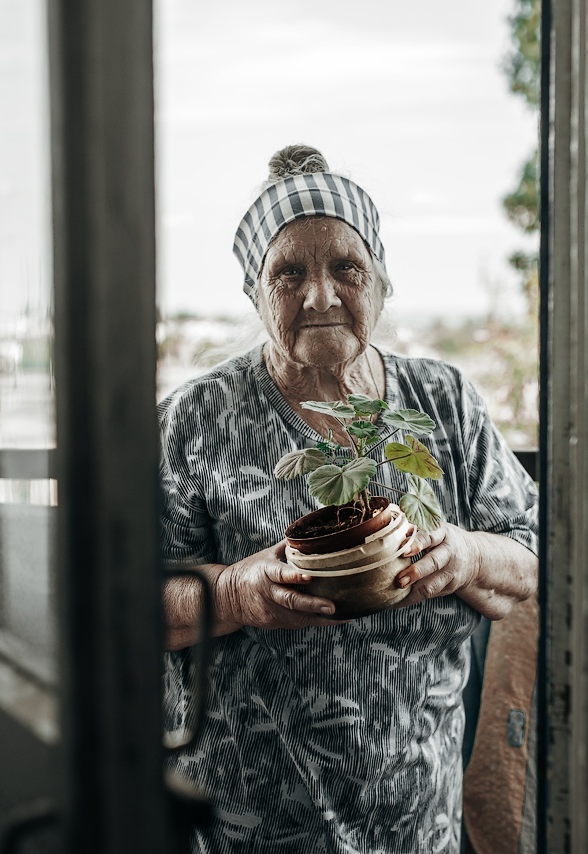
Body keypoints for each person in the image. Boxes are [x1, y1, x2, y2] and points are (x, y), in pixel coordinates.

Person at [160, 144, 539, 854]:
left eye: (346, 268)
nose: (321, 295)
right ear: (253, 292)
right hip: (249, 829)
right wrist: (240, 593)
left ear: (382, 285)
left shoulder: (443, 402)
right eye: (289, 273)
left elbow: (532, 553)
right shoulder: (194, 418)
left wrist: (463, 555)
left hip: (418, 824)